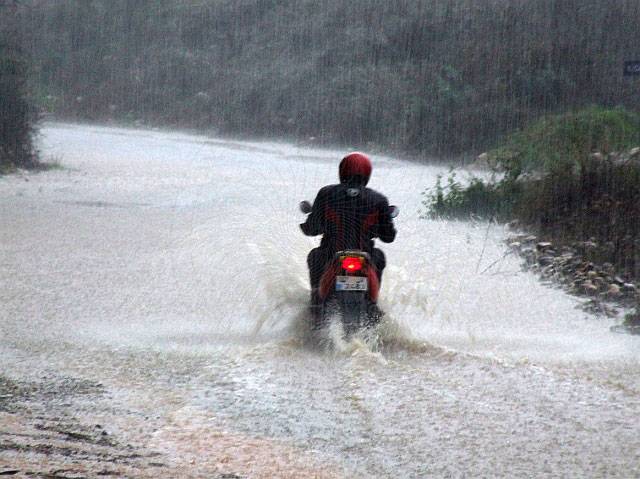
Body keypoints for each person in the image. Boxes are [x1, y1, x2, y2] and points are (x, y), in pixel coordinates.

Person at [300, 152, 397, 306]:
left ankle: (316, 304)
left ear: (342, 171)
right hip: (365, 256)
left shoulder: (326, 194)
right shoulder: (379, 200)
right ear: (367, 173)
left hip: (330, 254)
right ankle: (373, 304)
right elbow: (388, 237)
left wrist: (309, 225)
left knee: (315, 256)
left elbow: (311, 228)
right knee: (379, 256)